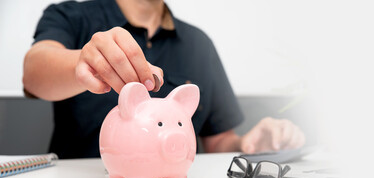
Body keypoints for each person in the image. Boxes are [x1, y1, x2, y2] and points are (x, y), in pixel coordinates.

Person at [22, 0, 305, 159]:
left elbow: (219, 142)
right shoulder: (71, 16)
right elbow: (34, 74)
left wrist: (248, 146)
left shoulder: (198, 43)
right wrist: (83, 62)